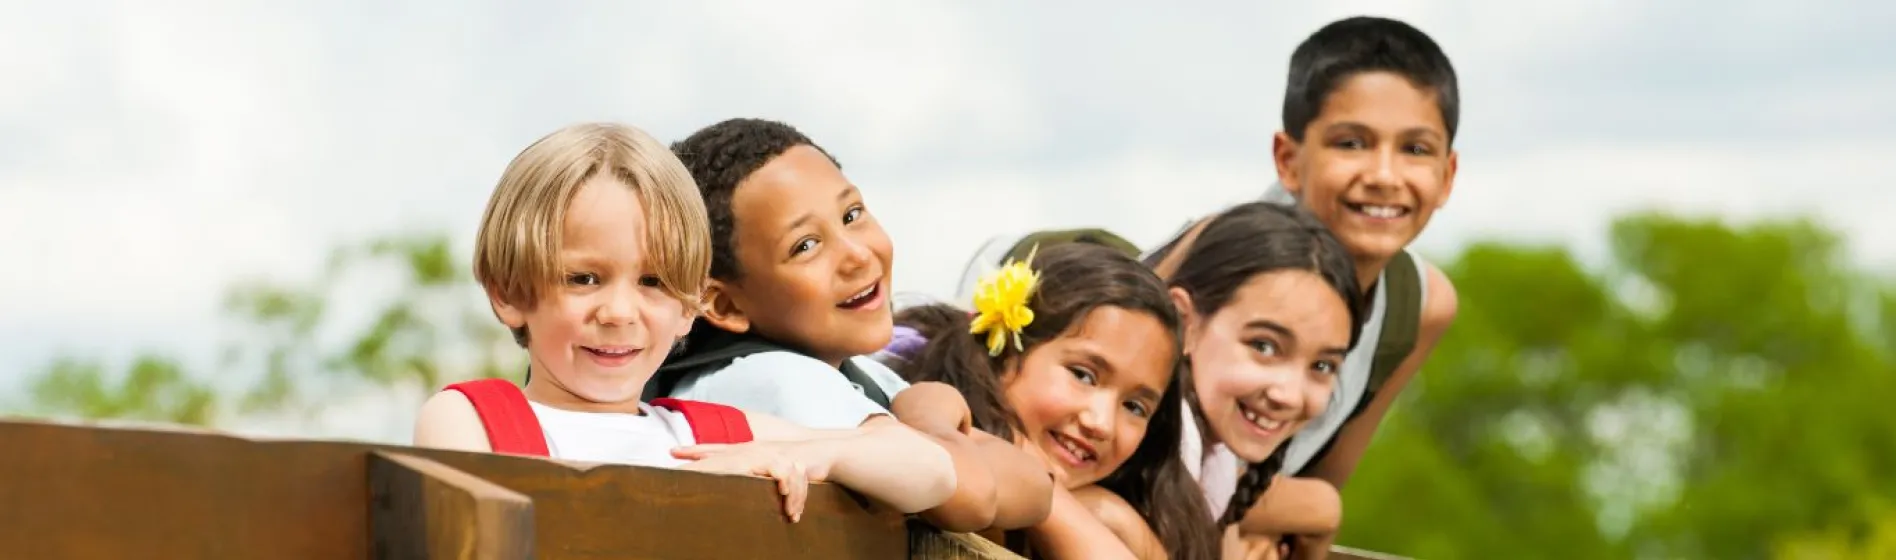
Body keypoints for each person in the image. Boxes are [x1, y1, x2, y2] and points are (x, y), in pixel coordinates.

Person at [410, 122, 961, 521]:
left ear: (689, 307)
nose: (620, 312)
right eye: (583, 279)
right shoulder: (475, 419)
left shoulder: (699, 434)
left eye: (652, 282)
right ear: (509, 294)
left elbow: (930, 471)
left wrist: (806, 454)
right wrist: (686, 489)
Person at [645, 117, 1055, 533]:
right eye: (805, 246)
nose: (857, 255)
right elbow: (975, 496)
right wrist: (931, 416)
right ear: (726, 304)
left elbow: (1033, 487)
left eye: (852, 214)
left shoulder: (850, 372)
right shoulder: (772, 379)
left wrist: (930, 425)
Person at [892, 243, 1218, 560]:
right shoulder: (938, 415)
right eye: (1083, 375)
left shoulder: (1120, 508)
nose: (1101, 423)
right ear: (1005, 352)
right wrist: (1051, 499)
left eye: (1134, 407)